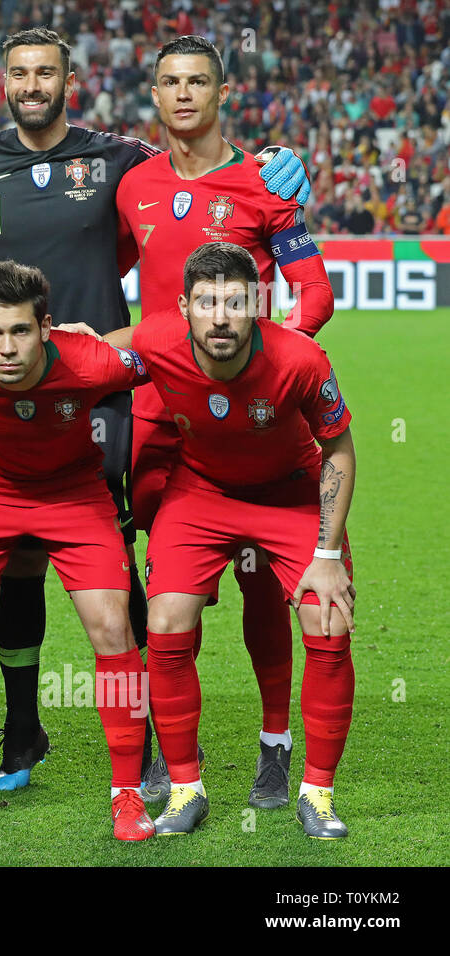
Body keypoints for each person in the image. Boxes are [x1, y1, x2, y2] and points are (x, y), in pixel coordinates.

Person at [0, 27, 312, 791]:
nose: (33, 83)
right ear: (2, 81)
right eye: (21, 72)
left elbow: (210, 181)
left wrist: (282, 166)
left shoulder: (122, 160)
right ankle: (22, 728)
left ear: (70, 80)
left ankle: (156, 736)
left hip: (112, 386)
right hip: (16, 382)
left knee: (125, 562)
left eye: (47, 71)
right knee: (19, 562)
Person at [115, 34, 334, 808]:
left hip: (244, 414)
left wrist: (278, 357)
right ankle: (165, 738)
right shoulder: (133, 185)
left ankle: (275, 745)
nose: (183, 95)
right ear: (157, 94)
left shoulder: (265, 183)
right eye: (169, 82)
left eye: (197, 82)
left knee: (262, 588)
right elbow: (99, 270)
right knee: (146, 582)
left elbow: (313, 292)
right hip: (155, 414)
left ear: (221, 92)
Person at [101, 242, 356, 839]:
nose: (221, 316)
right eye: (208, 302)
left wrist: (326, 556)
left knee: (328, 621)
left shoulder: (301, 358)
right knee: (164, 622)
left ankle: (317, 795)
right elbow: (95, 349)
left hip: (291, 492)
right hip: (203, 492)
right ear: (184, 307)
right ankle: (186, 787)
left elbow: (338, 450)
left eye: (236, 302)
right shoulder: (157, 339)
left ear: (258, 305)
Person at [0, 261, 154, 840]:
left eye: (20, 331)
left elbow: (164, 347)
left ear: (46, 327)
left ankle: (128, 795)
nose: (7, 348)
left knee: (114, 629)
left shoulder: (92, 362)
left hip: (73, 494)